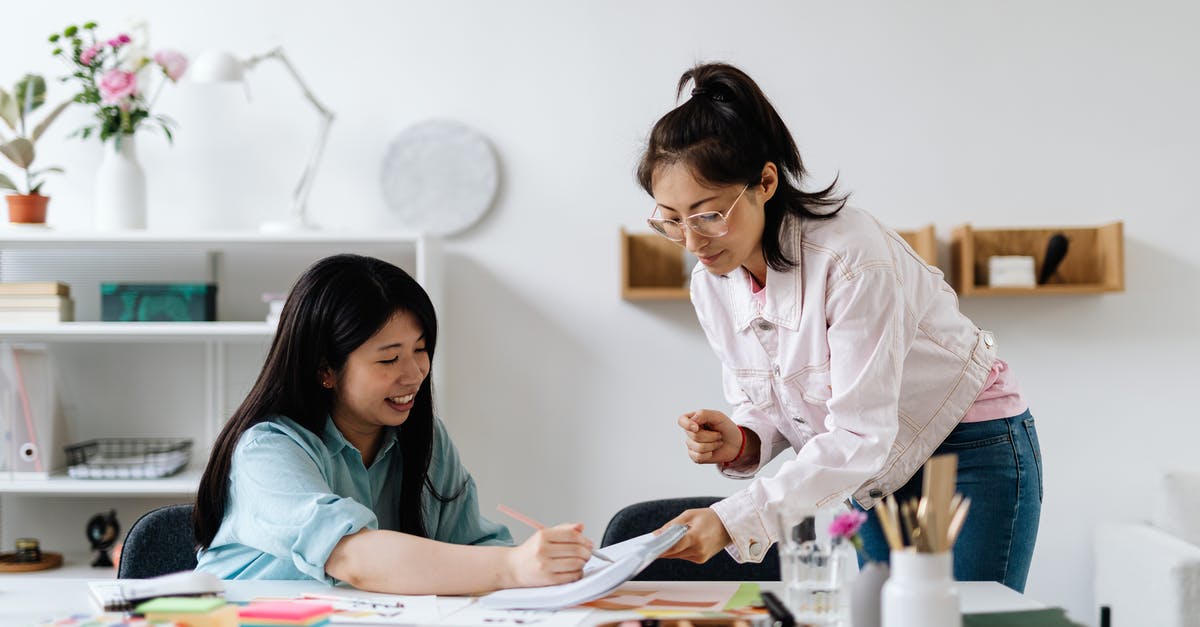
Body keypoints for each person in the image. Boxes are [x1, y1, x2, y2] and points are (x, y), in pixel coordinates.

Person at [638, 63, 1042, 591]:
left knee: (954, 619)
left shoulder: (850, 258)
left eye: (709, 214)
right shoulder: (711, 284)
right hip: (873, 473)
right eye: (670, 219)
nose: (692, 241)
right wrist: (742, 439)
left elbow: (856, 433)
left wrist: (732, 519)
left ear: (764, 182)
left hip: (967, 452)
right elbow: (775, 401)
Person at [194, 254, 593, 594]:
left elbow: (474, 548)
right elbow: (352, 557)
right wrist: (512, 566)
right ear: (325, 369)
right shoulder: (267, 449)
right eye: (389, 359)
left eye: (420, 350)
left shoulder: (425, 438)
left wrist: (545, 565)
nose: (415, 373)